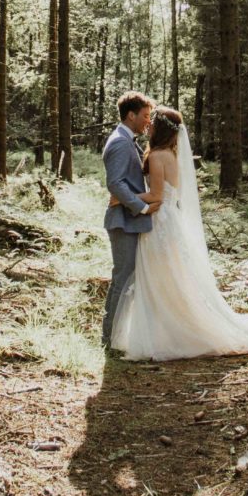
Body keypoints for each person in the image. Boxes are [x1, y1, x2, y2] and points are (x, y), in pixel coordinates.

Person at [110, 106, 248, 362]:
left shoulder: (157, 156)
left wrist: (121, 199)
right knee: (171, 278)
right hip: (169, 221)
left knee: (160, 278)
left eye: (153, 121)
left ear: (161, 128)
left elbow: (156, 196)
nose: (148, 124)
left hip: (159, 222)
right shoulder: (171, 155)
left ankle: (167, 332)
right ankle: (170, 327)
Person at [101, 91, 161, 350]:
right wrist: (142, 207)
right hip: (123, 221)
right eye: (145, 116)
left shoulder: (128, 140)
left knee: (127, 278)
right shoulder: (120, 142)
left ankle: (117, 335)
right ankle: (109, 338)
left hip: (128, 220)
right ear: (131, 115)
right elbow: (114, 183)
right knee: (122, 278)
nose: (148, 121)